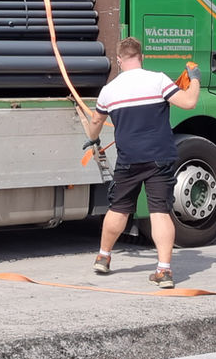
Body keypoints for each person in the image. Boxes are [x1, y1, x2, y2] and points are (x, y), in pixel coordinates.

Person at [83, 37, 201, 286]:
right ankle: (164, 271)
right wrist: (195, 77)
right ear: (141, 56)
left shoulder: (109, 90)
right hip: (160, 158)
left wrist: (92, 139)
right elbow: (189, 102)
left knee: (119, 208)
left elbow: (95, 122)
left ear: (118, 60)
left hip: (129, 159)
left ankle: (103, 258)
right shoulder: (157, 79)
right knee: (159, 211)